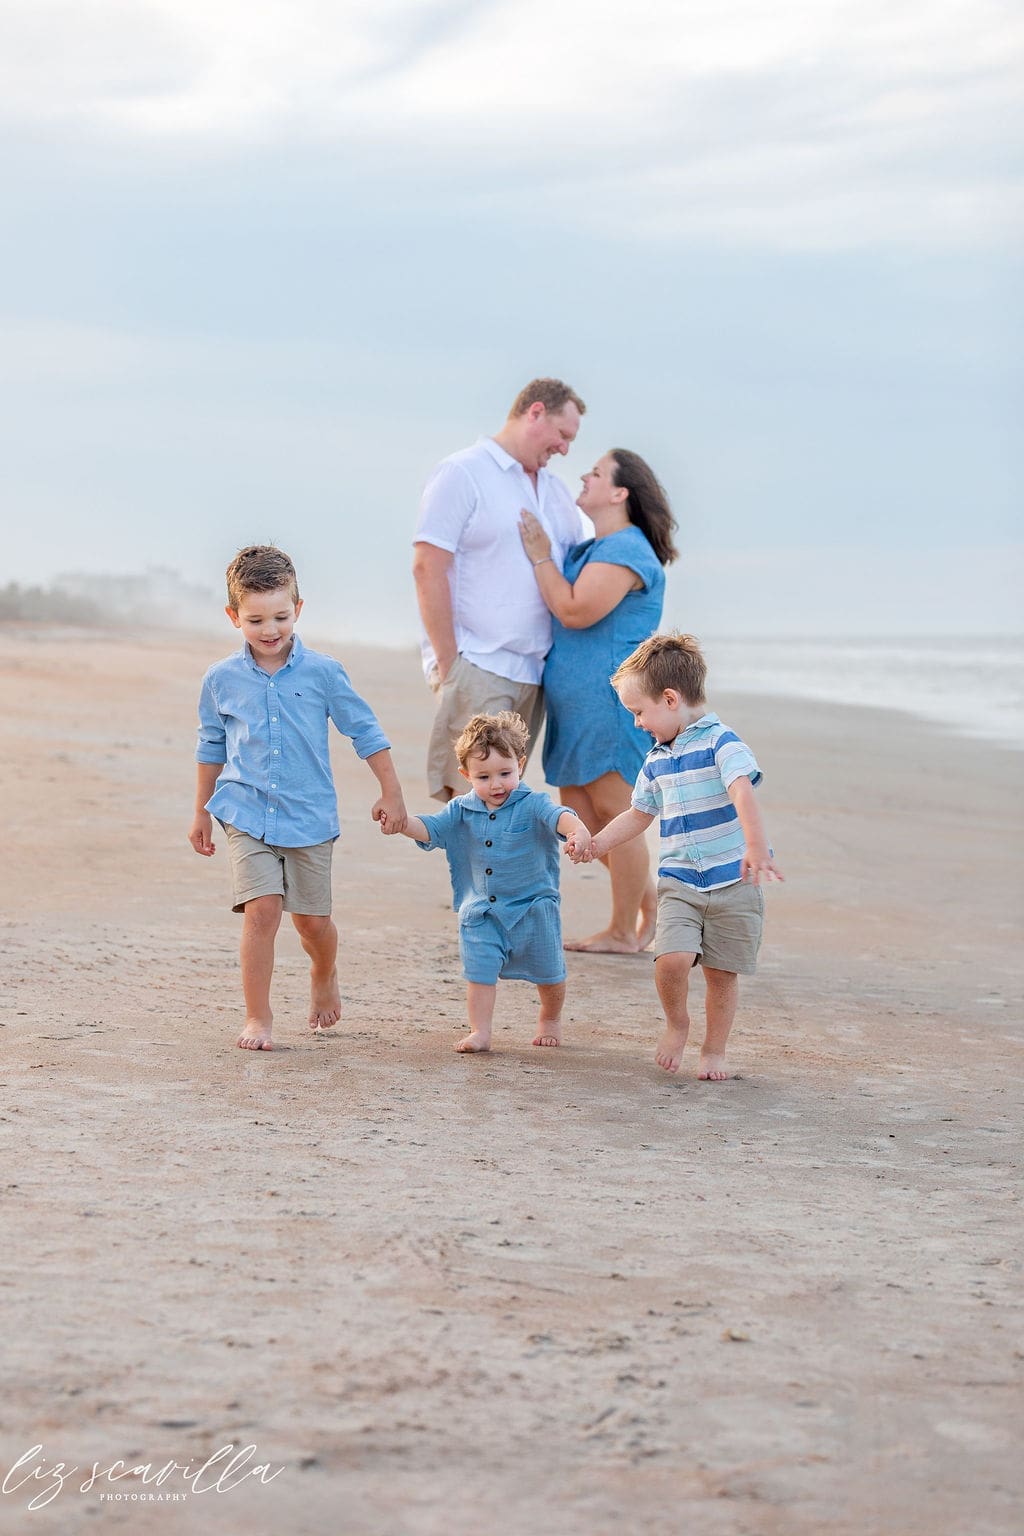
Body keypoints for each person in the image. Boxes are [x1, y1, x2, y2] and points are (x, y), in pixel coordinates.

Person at [188, 545, 407, 1051]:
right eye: (255, 620)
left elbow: (365, 731)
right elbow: (211, 746)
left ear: (298, 609)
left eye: (281, 617)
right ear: (233, 617)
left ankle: (324, 970)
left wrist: (391, 791)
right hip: (245, 811)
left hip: (309, 816)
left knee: (312, 923)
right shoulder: (220, 679)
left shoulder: (324, 673)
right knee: (262, 910)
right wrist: (200, 812)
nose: (270, 630)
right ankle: (258, 1017)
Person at [569, 633, 782, 1080]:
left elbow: (742, 793)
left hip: (734, 881)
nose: (637, 723)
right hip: (681, 882)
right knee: (671, 960)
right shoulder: (655, 761)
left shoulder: (723, 744)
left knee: (721, 975)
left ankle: (714, 1050)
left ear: (670, 699)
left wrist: (756, 846)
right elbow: (637, 815)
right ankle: (677, 1023)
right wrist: (597, 844)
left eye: (639, 712)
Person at [518, 449, 678, 954]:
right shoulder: (596, 547)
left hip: (610, 703)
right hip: (575, 705)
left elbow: (575, 610)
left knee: (614, 811)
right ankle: (650, 904)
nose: (584, 477)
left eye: (597, 473)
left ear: (620, 492)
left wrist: (540, 555)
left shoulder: (627, 549)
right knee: (583, 818)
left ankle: (623, 931)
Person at [413, 378, 587, 803]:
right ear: (535, 412)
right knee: (474, 807)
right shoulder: (464, 472)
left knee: (508, 810)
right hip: (480, 664)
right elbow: (427, 567)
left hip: (535, 674)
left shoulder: (556, 491)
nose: (565, 449)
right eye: (562, 435)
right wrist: (451, 666)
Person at [379, 711, 591, 1053]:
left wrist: (577, 832)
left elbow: (559, 817)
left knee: (549, 973)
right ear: (466, 775)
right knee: (479, 973)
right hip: (481, 912)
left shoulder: (533, 803)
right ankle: (480, 1031)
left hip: (534, 909)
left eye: (505, 773)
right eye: (483, 777)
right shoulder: (460, 810)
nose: (496, 785)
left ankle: (550, 1017)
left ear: (520, 764)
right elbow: (430, 829)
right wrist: (402, 823)